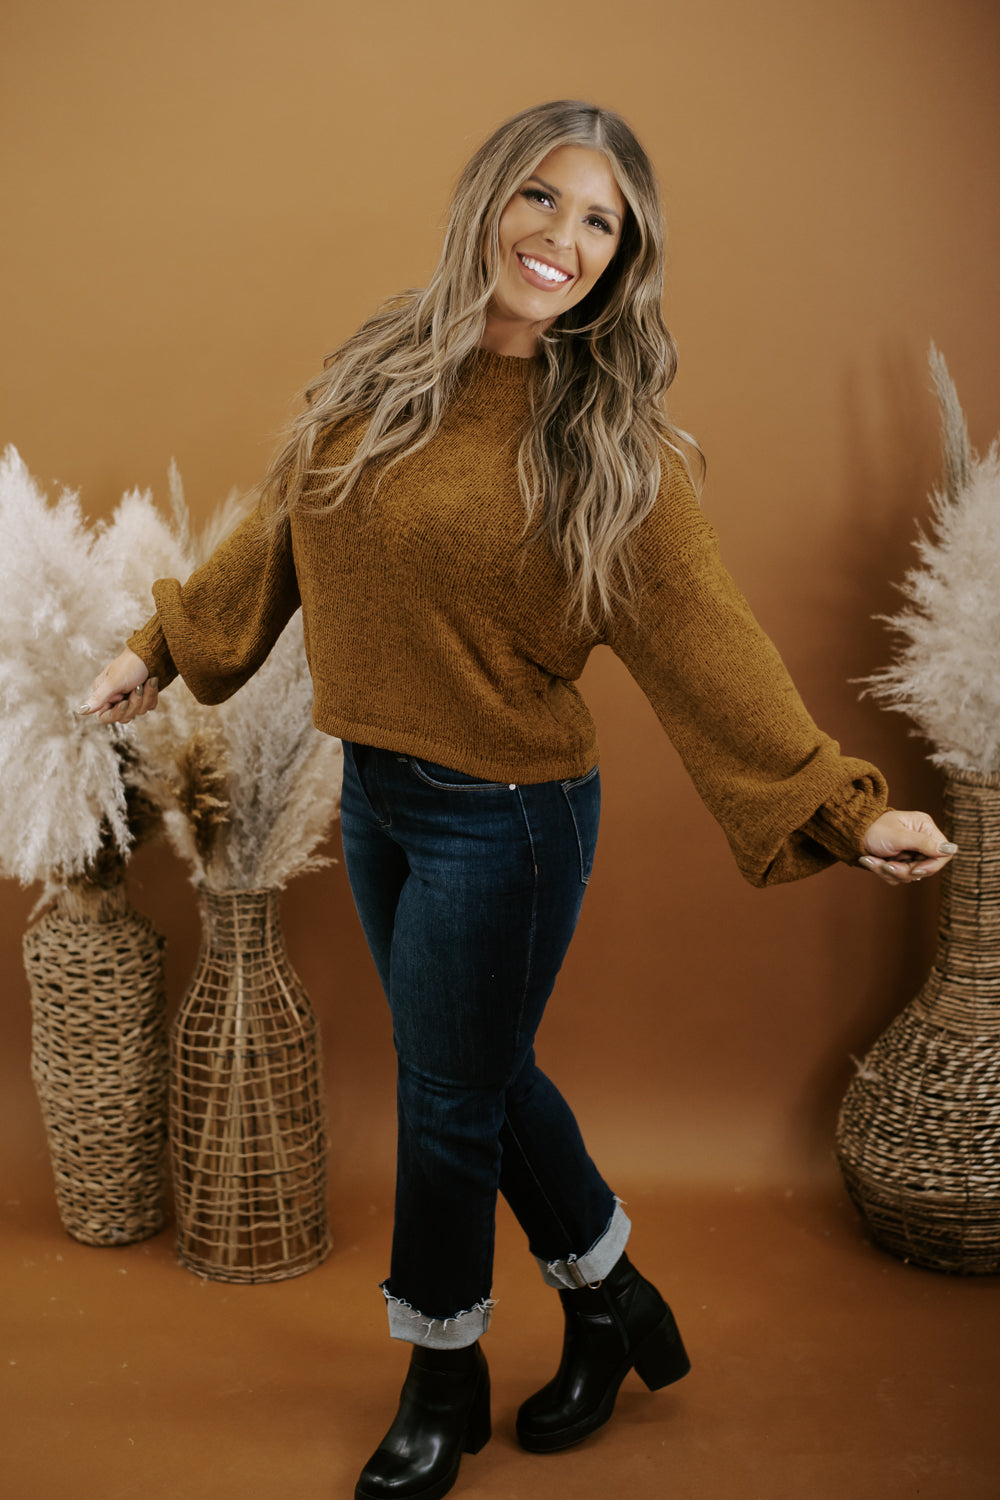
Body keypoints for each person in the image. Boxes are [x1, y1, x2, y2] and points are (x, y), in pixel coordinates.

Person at [81, 100, 956, 1500]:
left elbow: (711, 646)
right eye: (543, 197)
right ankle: (615, 1305)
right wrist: (161, 647)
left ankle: (442, 1380)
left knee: (445, 1101)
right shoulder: (387, 365)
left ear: (623, 260)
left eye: (601, 222)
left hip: (508, 819)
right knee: (477, 1076)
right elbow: (287, 521)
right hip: (380, 795)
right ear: (490, 199)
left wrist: (849, 808)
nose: (563, 237)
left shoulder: (605, 446)